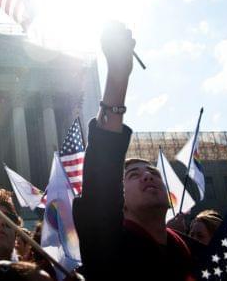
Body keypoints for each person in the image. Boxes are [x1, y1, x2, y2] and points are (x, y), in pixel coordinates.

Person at [72, 22, 198, 280]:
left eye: (152, 172)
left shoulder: (191, 254)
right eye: (133, 175)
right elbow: (102, 166)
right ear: (121, 203)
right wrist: (118, 77)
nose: (148, 176)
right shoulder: (108, 243)